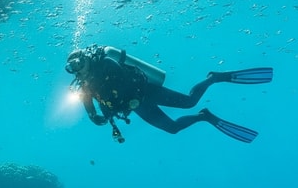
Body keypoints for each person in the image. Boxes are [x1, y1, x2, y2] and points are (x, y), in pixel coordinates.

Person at [64, 45, 269, 144]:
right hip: (137, 107)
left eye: (78, 64)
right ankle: (204, 116)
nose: (77, 69)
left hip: (145, 92)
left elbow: (124, 82)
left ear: (85, 59)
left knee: (189, 101)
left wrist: (122, 103)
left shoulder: (106, 63)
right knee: (172, 129)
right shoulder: (84, 84)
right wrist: (96, 117)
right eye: (72, 68)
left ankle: (213, 78)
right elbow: (90, 108)